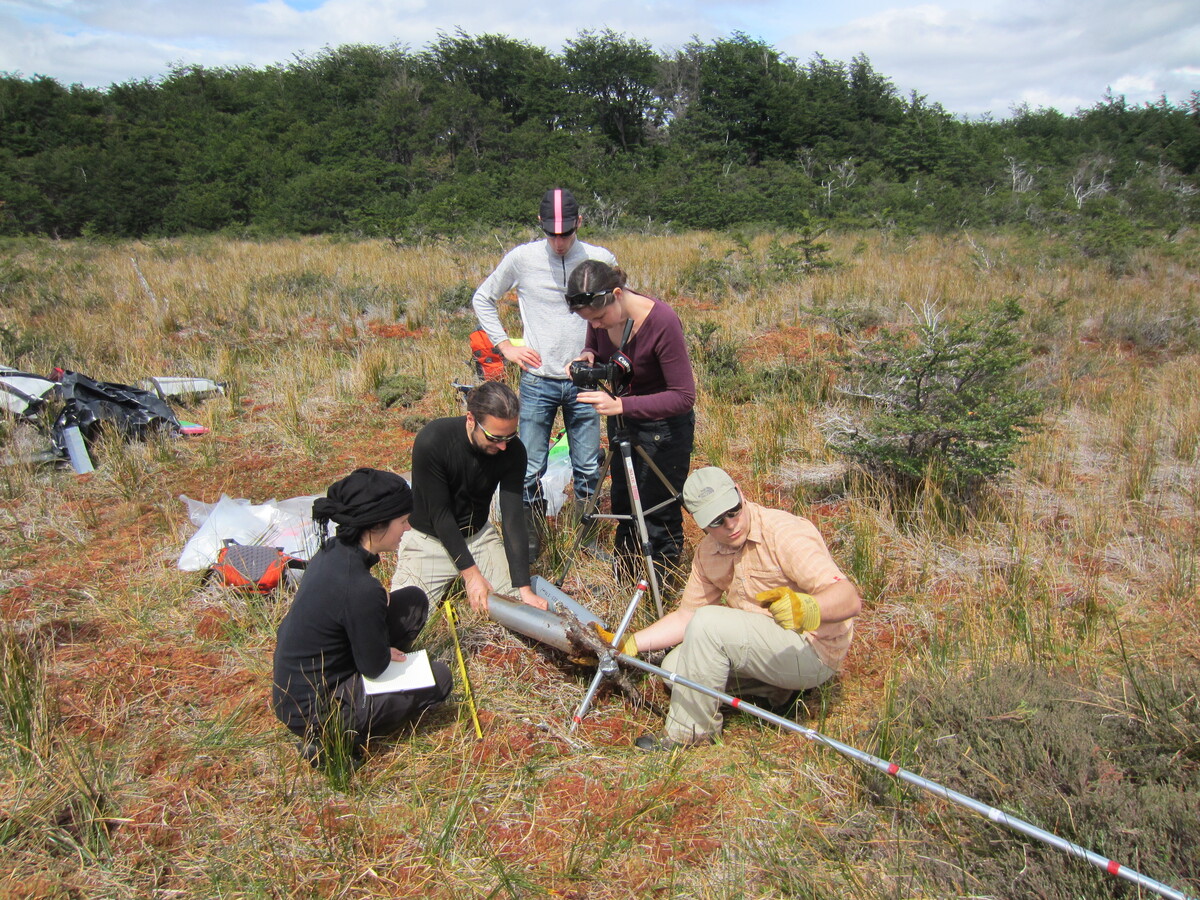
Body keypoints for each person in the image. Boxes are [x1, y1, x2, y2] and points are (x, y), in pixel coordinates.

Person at [612, 466, 862, 750]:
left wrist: (808, 608)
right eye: (717, 521)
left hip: (811, 651)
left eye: (733, 511)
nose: (731, 525)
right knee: (675, 667)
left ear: (740, 494)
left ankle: (690, 733)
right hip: (766, 647)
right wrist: (631, 642)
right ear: (699, 524)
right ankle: (777, 691)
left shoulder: (784, 533)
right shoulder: (708, 552)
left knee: (709, 625)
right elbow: (686, 617)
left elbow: (849, 598)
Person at [272, 468, 453, 766]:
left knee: (413, 602)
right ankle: (330, 740)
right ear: (376, 524)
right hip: (315, 707)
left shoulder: (334, 551)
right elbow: (373, 666)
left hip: (298, 684)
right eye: (403, 522)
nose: (407, 529)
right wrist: (381, 653)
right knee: (440, 678)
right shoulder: (358, 588)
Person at [471, 188, 617, 553]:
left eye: (566, 233)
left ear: (579, 223)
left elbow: (618, 311)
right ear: (541, 226)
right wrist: (506, 347)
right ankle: (531, 538)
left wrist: (597, 354)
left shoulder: (599, 258)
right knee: (529, 464)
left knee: (587, 466)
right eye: (552, 234)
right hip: (537, 381)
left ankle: (586, 539)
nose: (560, 242)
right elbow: (483, 297)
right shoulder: (522, 259)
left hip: (584, 381)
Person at [565, 259, 696, 585]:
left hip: (663, 432)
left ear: (618, 293)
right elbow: (594, 340)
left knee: (657, 515)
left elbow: (683, 396)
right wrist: (588, 355)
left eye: (598, 318)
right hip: (623, 422)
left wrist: (621, 403)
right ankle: (626, 586)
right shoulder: (598, 312)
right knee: (624, 507)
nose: (595, 326)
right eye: (588, 321)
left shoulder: (661, 322)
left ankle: (661, 597)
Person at [389, 381, 548, 614]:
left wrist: (523, 587)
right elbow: (439, 514)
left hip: (478, 537)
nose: (503, 446)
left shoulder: (513, 450)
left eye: (510, 436)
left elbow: (513, 517)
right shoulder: (434, 441)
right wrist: (471, 575)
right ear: (471, 419)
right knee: (405, 621)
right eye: (494, 438)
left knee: (516, 609)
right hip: (429, 540)